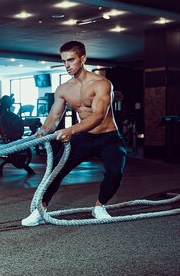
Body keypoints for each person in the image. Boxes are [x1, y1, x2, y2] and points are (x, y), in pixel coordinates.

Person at [22, 40, 127, 226]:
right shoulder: (63, 89)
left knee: (115, 172)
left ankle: (100, 207)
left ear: (83, 58)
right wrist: (42, 132)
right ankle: (41, 210)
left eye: (71, 60)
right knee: (55, 171)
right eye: (64, 61)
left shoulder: (101, 84)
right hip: (84, 138)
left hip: (108, 137)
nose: (67, 65)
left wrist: (70, 130)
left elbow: (98, 117)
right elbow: (53, 117)